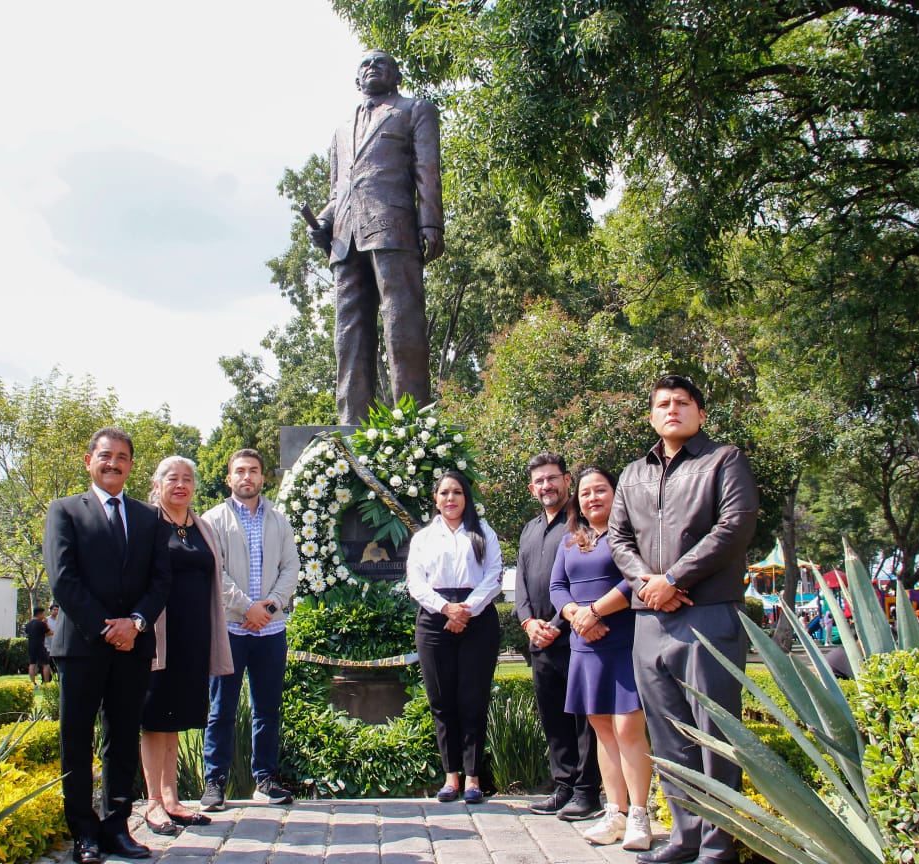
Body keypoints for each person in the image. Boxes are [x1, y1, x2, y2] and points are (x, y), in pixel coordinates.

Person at [609, 375, 759, 864]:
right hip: (649, 621)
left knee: (715, 736)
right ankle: (684, 839)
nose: (671, 410)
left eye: (682, 402)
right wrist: (650, 584)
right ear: (651, 416)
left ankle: (718, 848)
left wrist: (674, 578)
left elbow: (733, 527)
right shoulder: (632, 474)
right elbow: (618, 539)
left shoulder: (724, 460)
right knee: (669, 734)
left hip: (708, 616)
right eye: (662, 404)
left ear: (700, 413)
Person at [44, 427, 174, 864]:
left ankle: (117, 827)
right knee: (77, 741)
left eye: (122, 457)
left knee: (121, 740)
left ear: (131, 466)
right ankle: (85, 834)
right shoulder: (64, 511)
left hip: (134, 647)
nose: (113, 463)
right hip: (82, 647)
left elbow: (161, 581)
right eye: (105, 455)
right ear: (89, 461)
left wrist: (134, 624)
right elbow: (63, 579)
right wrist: (107, 628)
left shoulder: (149, 518)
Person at [309, 49, 444, 424]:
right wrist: (323, 221)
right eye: (365, 65)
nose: (372, 68)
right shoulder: (340, 128)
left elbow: (426, 170)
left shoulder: (414, 110)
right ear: (357, 80)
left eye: (381, 63)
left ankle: (413, 422)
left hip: (394, 228)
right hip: (345, 237)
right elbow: (339, 190)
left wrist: (430, 222)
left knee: (403, 327)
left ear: (396, 76)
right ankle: (352, 424)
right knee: (348, 335)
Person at [550, 468, 653, 851]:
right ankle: (615, 814)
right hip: (584, 644)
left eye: (601, 490)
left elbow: (634, 580)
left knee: (628, 729)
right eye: (586, 492)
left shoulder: (630, 536)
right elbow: (557, 586)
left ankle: (641, 817)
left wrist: (596, 611)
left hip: (623, 640)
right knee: (602, 731)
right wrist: (577, 615)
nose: (593, 497)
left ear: (616, 494)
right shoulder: (570, 541)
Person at [198, 449, 300, 811]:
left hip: (270, 631)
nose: (247, 477)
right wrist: (247, 608)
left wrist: (269, 608)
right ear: (229, 479)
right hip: (229, 628)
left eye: (253, 471)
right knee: (221, 708)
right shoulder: (211, 520)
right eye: (239, 471)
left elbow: (291, 568)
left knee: (267, 708)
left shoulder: (279, 520)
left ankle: (266, 780)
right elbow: (215, 572)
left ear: (262, 477)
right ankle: (215, 783)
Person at [139, 456, 232, 835]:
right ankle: (153, 803)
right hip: (158, 636)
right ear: (157, 484)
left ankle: (172, 798)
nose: (181, 485)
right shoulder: (148, 524)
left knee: (174, 720)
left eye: (188, 479)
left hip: (193, 637)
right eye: (172, 478)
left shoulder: (201, 527)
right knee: (154, 718)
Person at [405, 470, 503, 804]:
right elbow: (416, 584)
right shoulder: (423, 539)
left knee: (473, 699)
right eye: (444, 493)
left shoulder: (483, 532)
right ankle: (451, 777)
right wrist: (447, 609)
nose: (451, 499)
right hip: (434, 622)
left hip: (478, 621)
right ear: (435, 499)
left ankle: (474, 777)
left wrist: (466, 610)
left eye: (457, 492)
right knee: (443, 701)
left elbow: (494, 576)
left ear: (466, 497)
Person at [514, 453, 601, 821]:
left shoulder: (582, 525)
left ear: (567, 480)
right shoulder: (530, 528)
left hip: (576, 638)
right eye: (539, 481)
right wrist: (528, 622)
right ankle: (563, 784)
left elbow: (583, 582)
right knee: (553, 717)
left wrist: (556, 624)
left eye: (553, 478)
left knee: (583, 717)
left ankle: (587, 791)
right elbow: (520, 581)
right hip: (539, 640)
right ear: (532, 488)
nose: (546, 486)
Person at [24, 606, 52, 686]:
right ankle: (46, 683)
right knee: (45, 664)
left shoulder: (28, 624)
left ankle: (33, 683)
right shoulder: (41, 624)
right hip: (40, 645)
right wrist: (46, 623)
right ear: (39, 614)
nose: (43, 615)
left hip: (31, 645)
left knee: (32, 664)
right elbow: (49, 633)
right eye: (43, 614)